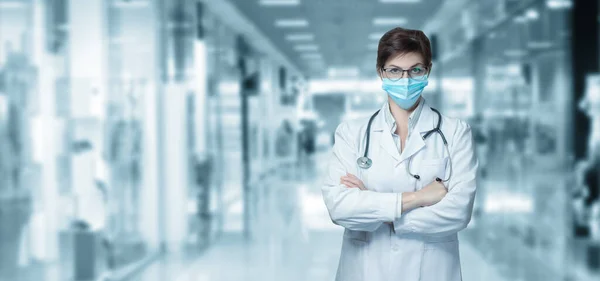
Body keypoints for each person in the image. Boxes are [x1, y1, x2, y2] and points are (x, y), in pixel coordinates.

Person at [321, 27, 478, 281]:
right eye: (394, 70)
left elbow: (458, 212)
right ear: (380, 72)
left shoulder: (456, 133)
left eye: (415, 70)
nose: (405, 79)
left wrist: (377, 209)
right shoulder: (352, 133)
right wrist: (419, 198)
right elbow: (340, 207)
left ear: (428, 70)